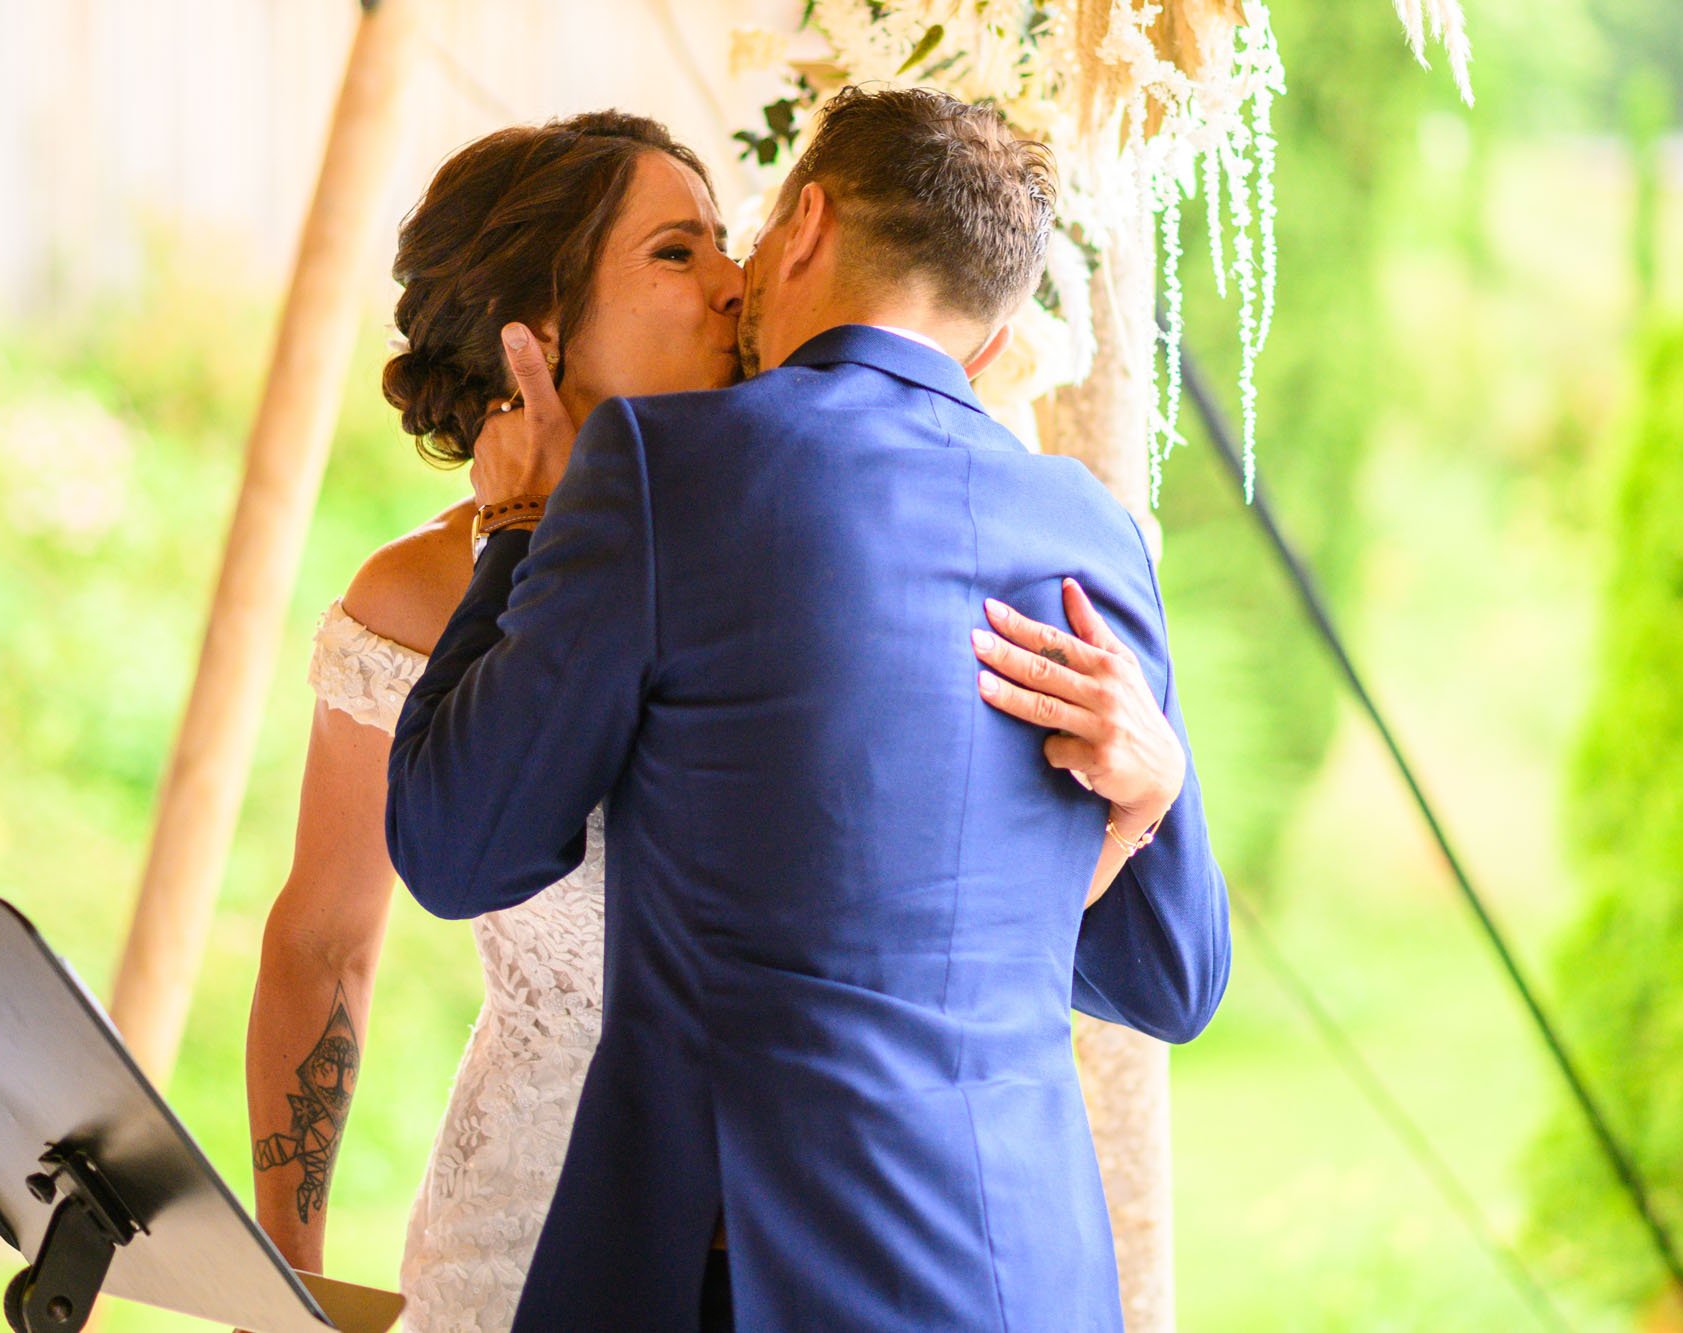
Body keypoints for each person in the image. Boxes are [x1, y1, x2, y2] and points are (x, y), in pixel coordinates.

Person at [385, 86, 1231, 1333]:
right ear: (991, 343)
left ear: (803, 226)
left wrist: (515, 527)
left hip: (745, 1275)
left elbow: (460, 850)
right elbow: (1173, 983)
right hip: (1024, 1277)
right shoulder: (1092, 533)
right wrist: (1156, 791)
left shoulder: (669, 471)